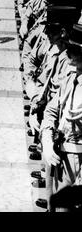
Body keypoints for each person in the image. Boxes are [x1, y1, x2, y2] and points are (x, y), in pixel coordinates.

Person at [41, 23, 82, 211]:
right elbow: (52, 110)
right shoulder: (70, 76)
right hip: (59, 151)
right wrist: (47, 140)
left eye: (75, 54)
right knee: (54, 204)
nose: (70, 59)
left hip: (78, 160)